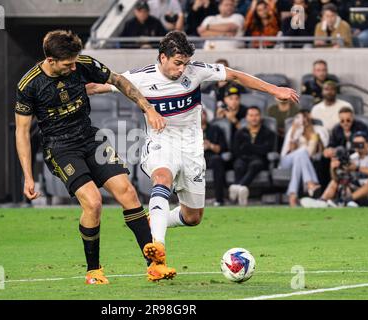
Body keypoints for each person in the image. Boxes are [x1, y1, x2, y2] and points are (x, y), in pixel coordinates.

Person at [87, 31, 298, 268]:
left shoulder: (195, 70)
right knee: (162, 178)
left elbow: (235, 76)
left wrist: (274, 90)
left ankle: (156, 218)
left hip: (192, 147)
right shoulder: (139, 77)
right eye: (177, 63)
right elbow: (97, 87)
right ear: (162, 57)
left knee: (192, 217)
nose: (181, 69)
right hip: (161, 142)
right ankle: (156, 250)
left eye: (185, 64)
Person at [15, 30, 175, 285]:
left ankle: (155, 265)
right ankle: (94, 271)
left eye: (75, 61)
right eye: (68, 64)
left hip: (90, 139)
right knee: (94, 202)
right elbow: (22, 132)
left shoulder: (84, 64)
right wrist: (27, 176)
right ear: (51, 60)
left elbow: (119, 80)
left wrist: (147, 107)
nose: (74, 66)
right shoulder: (29, 85)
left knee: (128, 192)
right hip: (60, 148)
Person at [229, 106, 277, 206]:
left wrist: (248, 147)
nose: (254, 118)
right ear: (246, 118)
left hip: (259, 159)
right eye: (251, 115)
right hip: (243, 158)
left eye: (256, 115)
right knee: (238, 165)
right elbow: (236, 151)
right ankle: (241, 191)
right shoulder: (240, 133)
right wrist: (255, 148)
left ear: (260, 117)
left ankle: (239, 186)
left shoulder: (268, 133)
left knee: (255, 165)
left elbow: (266, 150)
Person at [279, 110, 328, 206]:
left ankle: (292, 195)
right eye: (299, 118)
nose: (302, 121)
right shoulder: (293, 130)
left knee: (300, 157)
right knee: (302, 152)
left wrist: (311, 134)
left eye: (305, 118)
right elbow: (290, 151)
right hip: (286, 160)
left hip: (303, 161)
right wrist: (294, 133)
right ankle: (311, 183)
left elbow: (317, 151)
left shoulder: (318, 130)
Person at [315, 131, 368, 207]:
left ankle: (345, 201)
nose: (358, 147)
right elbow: (336, 179)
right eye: (355, 145)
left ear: (367, 143)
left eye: (360, 144)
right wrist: (333, 168)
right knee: (340, 180)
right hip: (359, 193)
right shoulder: (352, 158)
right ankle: (322, 201)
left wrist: (357, 168)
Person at [202, 108, 228, 206]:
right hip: (194, 157)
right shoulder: (189, 130)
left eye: (202, 113)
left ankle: (219, 199)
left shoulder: (215, 129)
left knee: (218, 160)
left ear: (206, 115)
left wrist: (210, 145)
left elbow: (223, 148)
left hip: (211, 156)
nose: (200, 116)